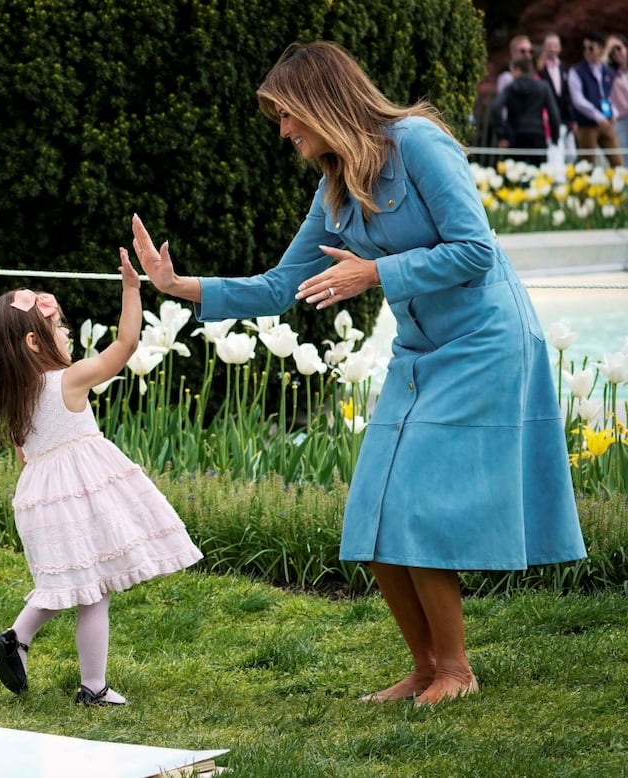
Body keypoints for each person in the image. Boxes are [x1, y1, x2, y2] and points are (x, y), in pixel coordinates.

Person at [130, 42, 586, 706]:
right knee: (372, 507)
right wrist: (178, 285)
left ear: (321, 102)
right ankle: (425, 667)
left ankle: (458, 670)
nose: (283, 131)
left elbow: (475, 251)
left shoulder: (420, 144)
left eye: (287, 115)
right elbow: (281, 285)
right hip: (420, 351)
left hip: (485, 343)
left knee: (417, 506)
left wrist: (373, 273)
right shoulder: (336, 185)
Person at [0, 251, 204, 706]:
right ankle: (92, 688)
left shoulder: (18, 399)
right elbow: (126, 344)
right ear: (36, 344)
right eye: (57, 328)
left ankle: (16, 638)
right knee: (92, 590)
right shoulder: (69, 381)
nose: (65, 334)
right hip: (79, 496)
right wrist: (132, 290)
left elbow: (27, 459)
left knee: (68, 582)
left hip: (42, 501)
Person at [487, 55, 562, 162]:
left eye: (512, 71)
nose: (511, 74)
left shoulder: (511, 88)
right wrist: (555, 137)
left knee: (514, 174)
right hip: (538, 136)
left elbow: (496, 108)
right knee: (540, 176)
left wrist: (502, 135)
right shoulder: (543, 87)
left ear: (518, 70)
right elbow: (554, 114)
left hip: (515, 137)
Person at [567, 32, 623, 167]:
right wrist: (598, 117)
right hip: (587, 125)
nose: (587, 52)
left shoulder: (608, 71)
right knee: (587, 165)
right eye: (584, 48)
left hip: (607, 122)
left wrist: (613, 113)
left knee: (617, 162)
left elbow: (610, 96)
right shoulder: (576, 71)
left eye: (591, 48)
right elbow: (578, 100)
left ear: (601, 49)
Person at [606, 34, 628, 152]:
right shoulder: (609, 72)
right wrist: (607, 49)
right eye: (612, 51)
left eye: (619, 48)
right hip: (620, 120)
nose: (616, 53)